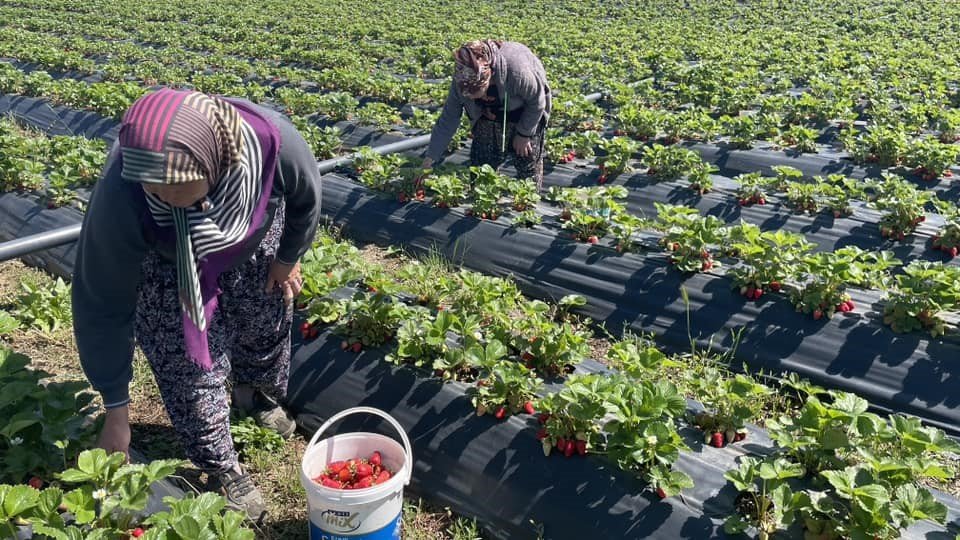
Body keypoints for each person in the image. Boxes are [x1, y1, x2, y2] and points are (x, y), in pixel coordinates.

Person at [71, 88, 322, 522]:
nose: (161, 196)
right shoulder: (124, 191)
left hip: (249, 235)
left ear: (217, 164)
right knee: (190, 367)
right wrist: (115, 406)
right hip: (169, 263)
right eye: (154, 189)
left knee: (264, 319)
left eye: (175, 189)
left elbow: (307, 199)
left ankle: (254, 395)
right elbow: (102, 301)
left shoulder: (271, 143)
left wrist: (288, 257)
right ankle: (223, 466)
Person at [420, 40, 551, 190]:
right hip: (489, 115)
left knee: (526, 158)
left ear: (488, 78)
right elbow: (448, 118)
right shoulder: (461, 80)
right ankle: (481, 196)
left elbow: (537, 101)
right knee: (481, 166)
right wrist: (430, 159)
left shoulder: (517, 72)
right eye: (467, 95)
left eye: (475, 93)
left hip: (525, 111)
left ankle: (528, 200)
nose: (470, 97)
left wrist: (524, 134)